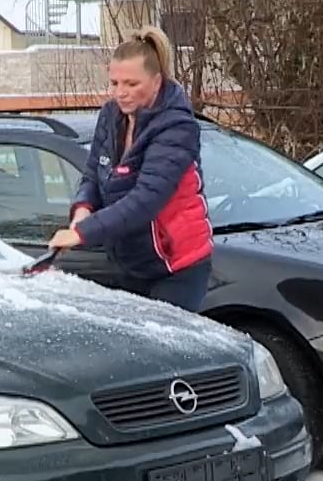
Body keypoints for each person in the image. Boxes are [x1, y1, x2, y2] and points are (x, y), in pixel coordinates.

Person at [47, 25, 214, 311]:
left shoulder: (177, 127)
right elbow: (93, 174)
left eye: (132, 84)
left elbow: (146, 200)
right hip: (130, 261)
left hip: (176, 266)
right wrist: (82, 209)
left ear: (157, 82)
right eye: (115, 83)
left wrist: (83, 233)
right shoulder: (111, 116)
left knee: (164, 350)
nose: (121, 93)